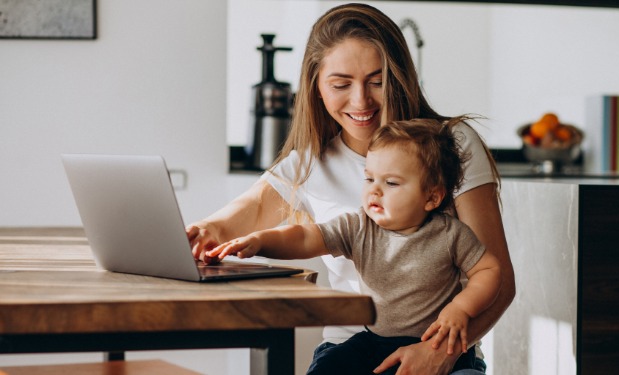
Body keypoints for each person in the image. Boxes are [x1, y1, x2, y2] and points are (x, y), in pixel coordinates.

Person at [188, 3, 515, 374]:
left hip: (443, 352)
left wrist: (441, 354)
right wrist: (206, 231)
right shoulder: (309, 162)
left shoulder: (452, 145)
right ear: (317, 86)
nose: (361, 101)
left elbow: (497, 280)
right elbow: (235, 220)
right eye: (341, 84)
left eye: (378, 82)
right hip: (351, 348)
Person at [205, 117, 502, 374]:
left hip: (440, 344)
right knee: (331, 366)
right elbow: (305, 237)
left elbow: (490, 270)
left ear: (432, 197)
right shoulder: (358, 226)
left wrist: (461, 309)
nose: (374, 189)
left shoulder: (451, 234)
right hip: (374, 341)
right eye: (369, 178)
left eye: (392, 183)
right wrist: (260, 241)